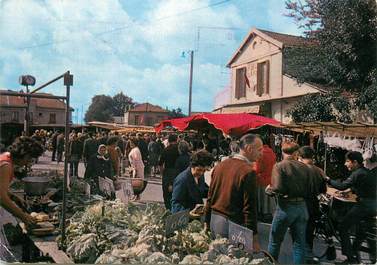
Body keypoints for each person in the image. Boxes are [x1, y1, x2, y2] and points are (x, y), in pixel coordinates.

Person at [204, 133, 263, 251]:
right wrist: (254, 238)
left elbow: (210, 196)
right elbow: (249, 208)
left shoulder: (220, 165)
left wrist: (207, 220)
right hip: (232, 225)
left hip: (215, 220)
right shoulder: (248, 172)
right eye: (259, 150)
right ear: (249, 149)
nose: (261, 153)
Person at [325, 151, 376, 264]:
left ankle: (350, 258)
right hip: (372, 205)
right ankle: (354, 256)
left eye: (347, 161)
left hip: (365, 205)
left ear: (355, 162)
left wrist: (327, 179)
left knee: (343, 227)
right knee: (361, 232)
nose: (345, 164)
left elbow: (342, 186)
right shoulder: (365, 172)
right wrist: (349, 190)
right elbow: (363, 185)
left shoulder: (358, 173)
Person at [266, 141, 312, 264]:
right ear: (296, 153)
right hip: (302, 207)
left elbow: (277, 188)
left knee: (275, 241)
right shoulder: (305, 167)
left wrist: (268, 190)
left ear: (282, 152)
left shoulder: (279, 166)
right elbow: (311, 189)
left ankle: (272, 263)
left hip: (285, 207)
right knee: (299, 243)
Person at [0, 137, 43, 261]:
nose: (28, 163)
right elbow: (1, 198)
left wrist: (14, 197)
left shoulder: (6, 157)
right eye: (30, 159)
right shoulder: (6, 165)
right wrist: (24, 217)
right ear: (24, 154)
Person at [297, 146, 327, 264]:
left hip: (300, 203)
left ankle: (303, 257)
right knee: (309, 231)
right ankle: (308, 255)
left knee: (299, 232)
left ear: (300, 157)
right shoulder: (319, 171)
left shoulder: (298, 170)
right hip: (313, 204)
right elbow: (323, 190)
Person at [255, 137, 276, 222]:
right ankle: (268, 214)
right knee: (268, 200)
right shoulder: (271, 152)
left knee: (262, 199)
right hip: (270, 179)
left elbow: (257, 169)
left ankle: (263, 215)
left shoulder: (260, 154)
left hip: (261, 179)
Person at [159, 134, 180, 210]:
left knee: (166, 194)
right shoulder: (179, 150)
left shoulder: (166, 150)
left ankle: (168, 209)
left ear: (169, 141)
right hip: (178, 173)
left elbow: (160, 164)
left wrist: (162, 174)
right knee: (176, 193)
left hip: (167, 173)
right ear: (176, 140)